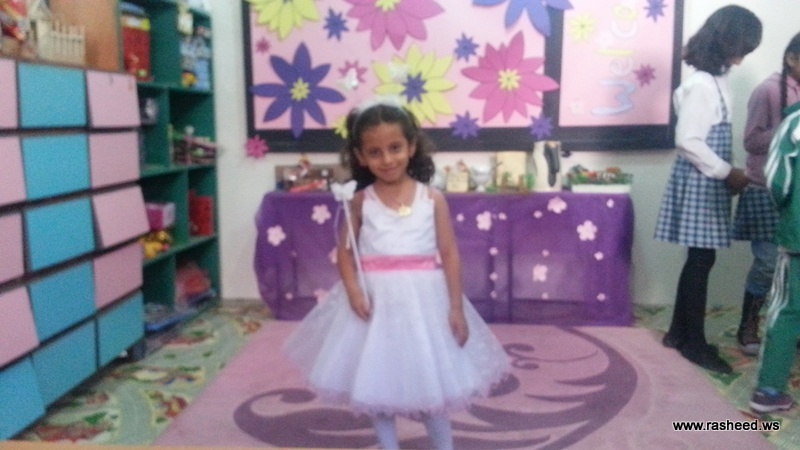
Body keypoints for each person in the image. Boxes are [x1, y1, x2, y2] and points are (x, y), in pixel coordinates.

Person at [281, 99, 511, 450]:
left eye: (395, 148)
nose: (387, 159)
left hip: (424, 305)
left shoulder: (432, 198)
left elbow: (449, 253)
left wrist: (455, 307)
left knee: (431, 379)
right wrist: (354, 291)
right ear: (360, 156)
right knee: (377, 379)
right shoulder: (360, 200)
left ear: (412, 146)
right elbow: (345, 252)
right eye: (375, 152)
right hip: (376, 305)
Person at [655, 5, 762, 374]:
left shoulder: (716, 80)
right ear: (726, 42)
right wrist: (726, 172)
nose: (744, 56)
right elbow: (688, 140)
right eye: (743, 48)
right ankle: (694, 343)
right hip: (702, 178)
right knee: (701, 260)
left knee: (700, 259)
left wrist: (725, 173)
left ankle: (678, 333)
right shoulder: (702, 84)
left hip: (709, 179)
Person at [733, 32, 800, 356]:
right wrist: (790, 131)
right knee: (767, 263)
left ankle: (790, 328)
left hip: (796, 194)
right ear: (791, 58)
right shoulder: (768, 90)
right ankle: (748, 325)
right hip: (765, 188)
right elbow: (751, 141)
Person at [749, 101, 800, 413]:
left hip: (798, 235)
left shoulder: (795, 122)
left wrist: (791, 210)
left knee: (787, 310)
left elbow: (777, 178)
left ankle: (768, 391)